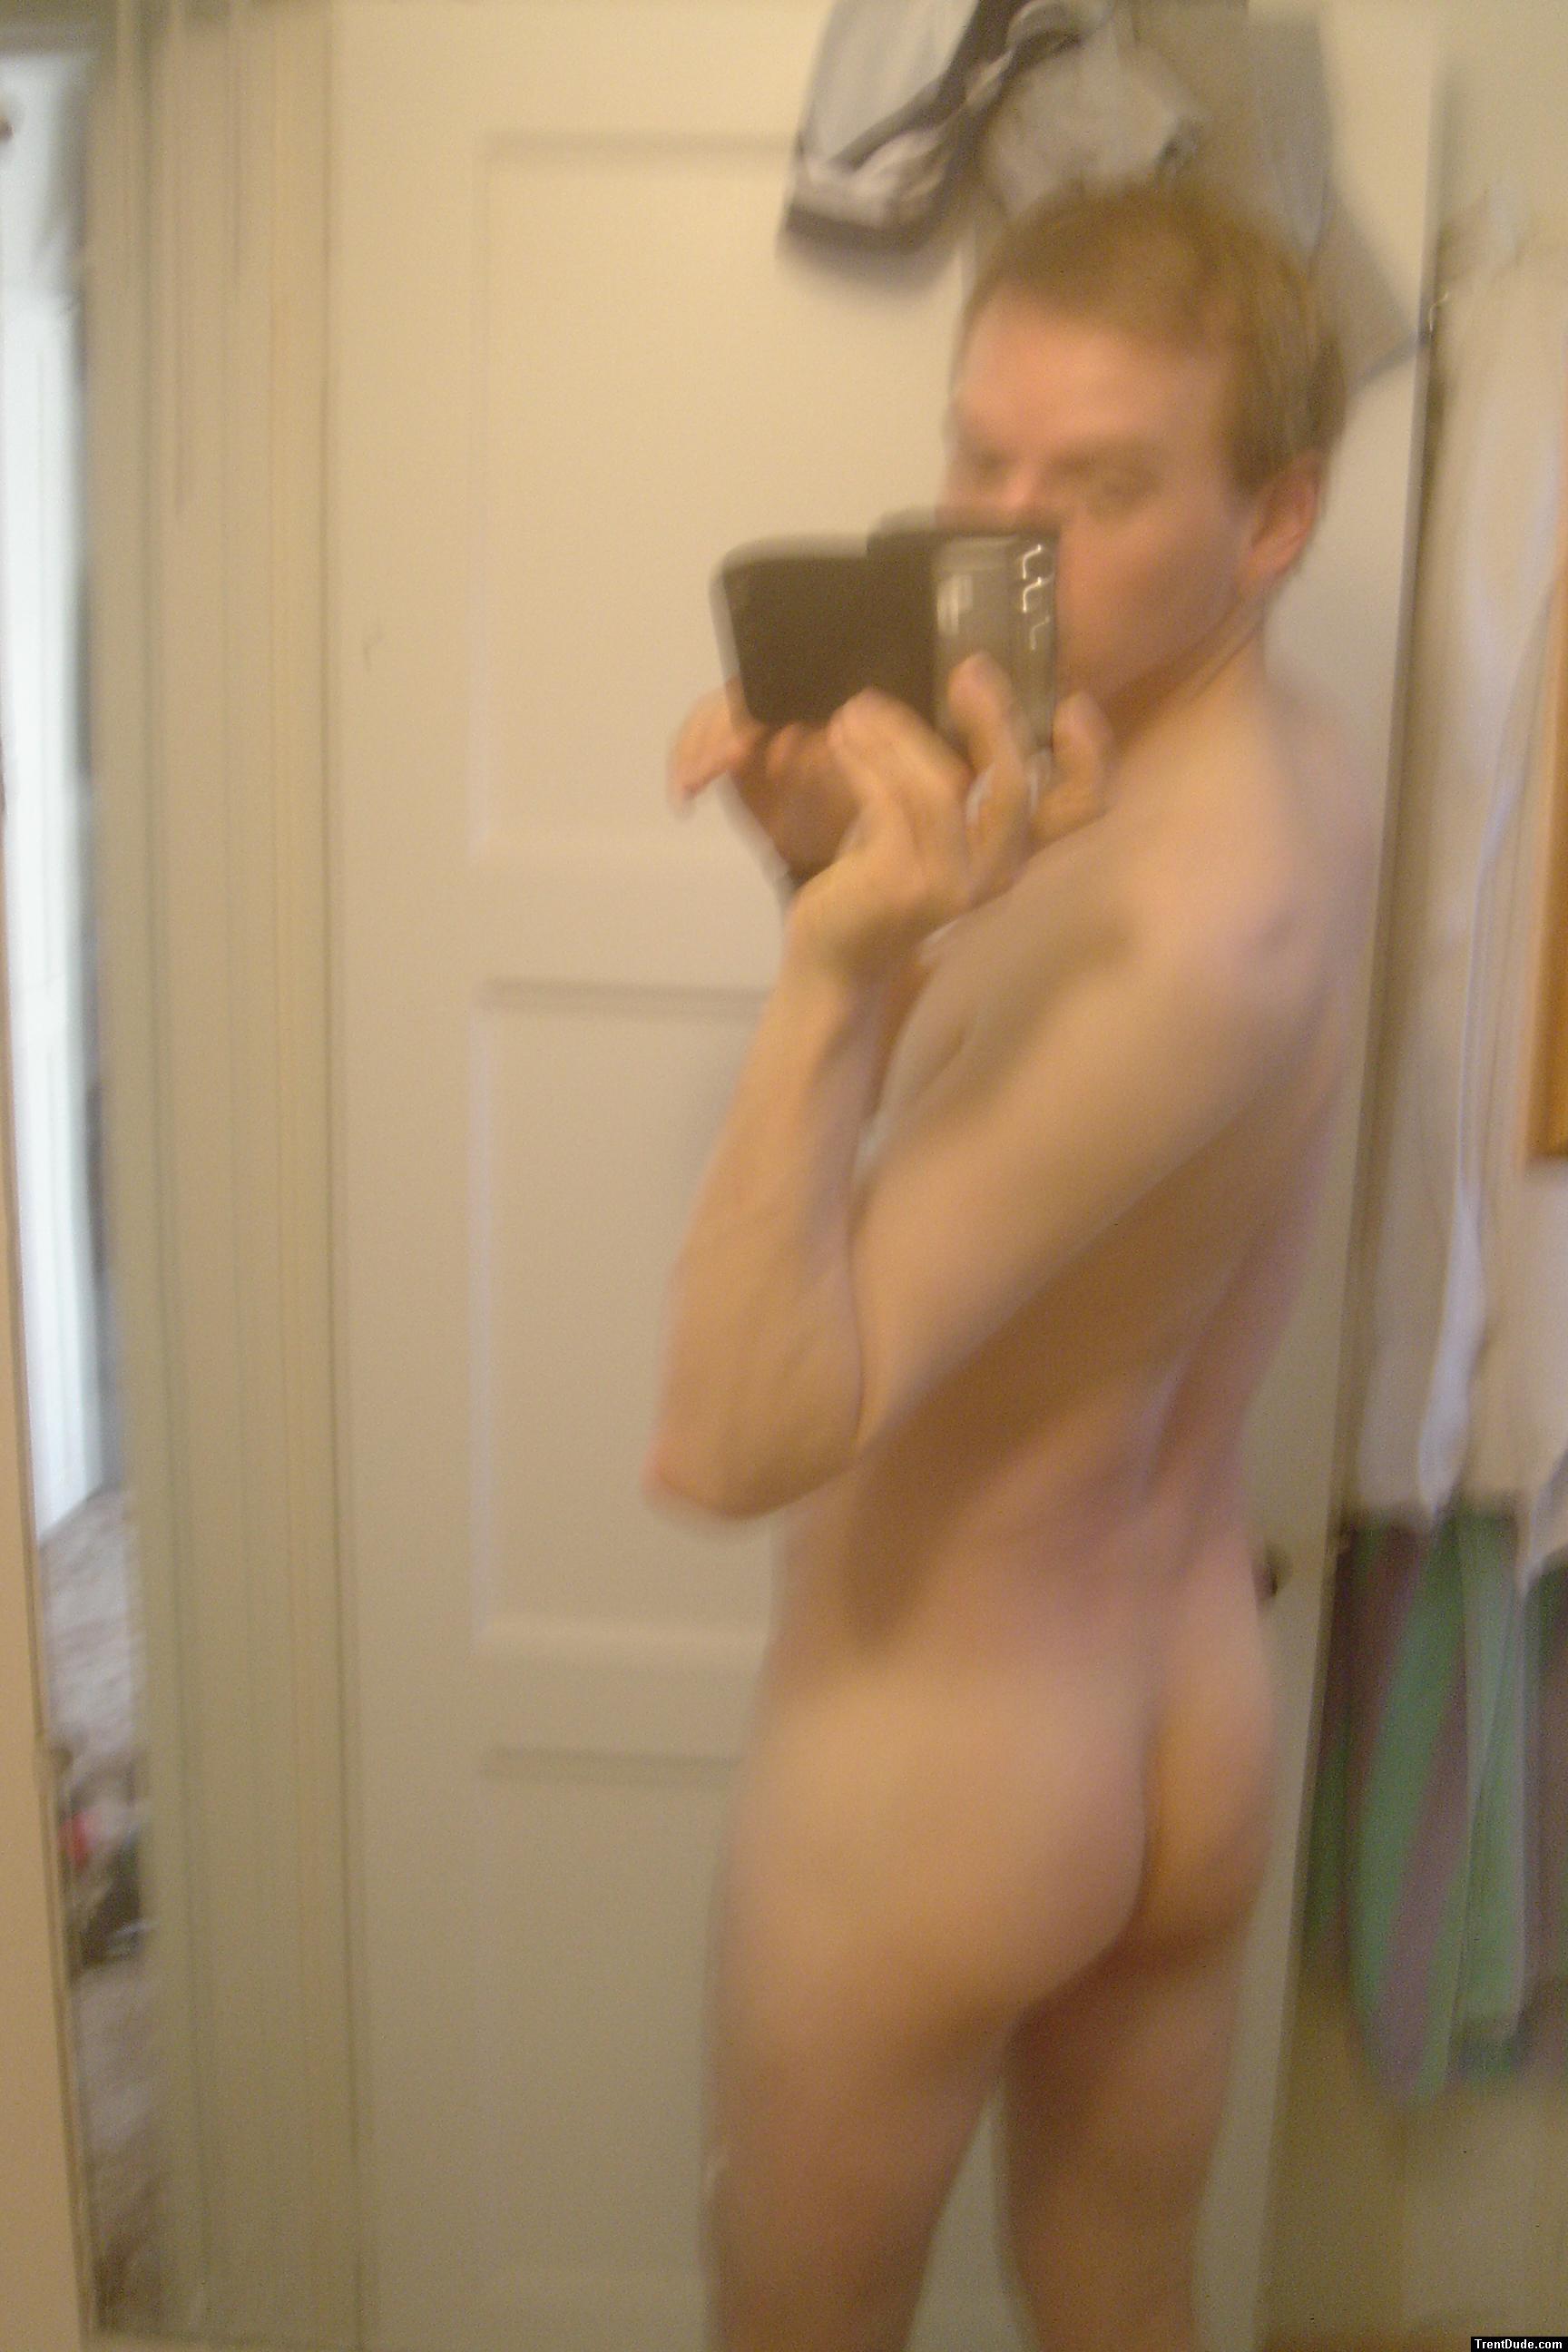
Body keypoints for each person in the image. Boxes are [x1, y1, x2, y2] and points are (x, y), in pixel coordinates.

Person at [645, 178, 1378, 2352]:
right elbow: (1062, 1148)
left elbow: (736, 1440)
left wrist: (825, 965)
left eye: (1106, 484)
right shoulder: (1259, 765)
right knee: (1123, 2296)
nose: (1008, 535)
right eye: (984, 452)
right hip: (1177, 1716)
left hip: (948, 1752)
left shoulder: (1188, 915)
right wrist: (843, 881)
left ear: (1275, 519)